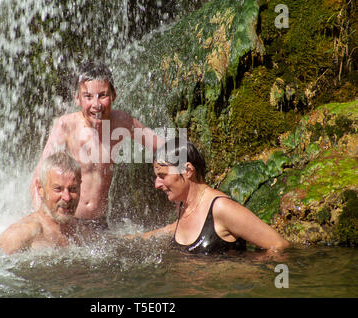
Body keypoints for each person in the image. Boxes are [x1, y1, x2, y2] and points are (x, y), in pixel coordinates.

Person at [30, 61, 162, 223]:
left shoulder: (121, 122)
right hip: (70, 220)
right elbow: (38, 178)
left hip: (100, 223)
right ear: (77, 98)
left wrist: (187, 162)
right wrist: (44, 220)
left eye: (103, 95)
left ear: (114, 95)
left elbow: (162, 146)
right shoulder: (66, 126)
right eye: (88, 97)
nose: (96, 105)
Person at [127, 138, 289, 255]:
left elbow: (279, 245)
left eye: (162, 175)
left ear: (188, 171)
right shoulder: (184, 205)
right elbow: (173, 228)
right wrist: (131, 240)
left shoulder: (221, 208)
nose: (157, 184)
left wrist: (240, 271)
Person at [0, 152, 81, 258]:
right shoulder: (25, 232)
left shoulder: (82, 230)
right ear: (40, 188)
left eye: (73, 189)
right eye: (58, 189)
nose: (67, 197)